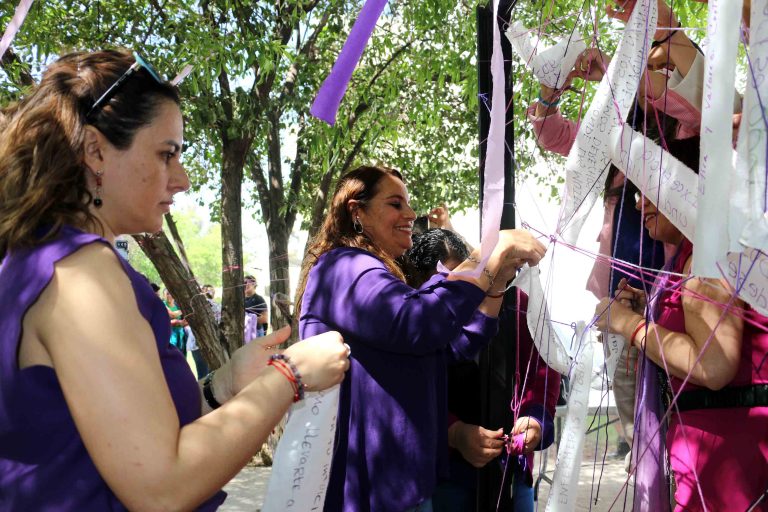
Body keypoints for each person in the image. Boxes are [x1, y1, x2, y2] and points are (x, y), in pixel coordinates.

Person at [0, 49, 350, 511]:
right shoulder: (83, 275)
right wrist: (291, 377)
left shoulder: (35, 258)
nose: (181, 179)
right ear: (95, 151)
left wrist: (221, 386)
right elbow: (159, 487)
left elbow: (117, 439)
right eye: (167, 154)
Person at [296, 165, 547, 511]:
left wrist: (497, 282)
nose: (410, 214)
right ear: (357, 211)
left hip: (401, 484)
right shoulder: (342, 268)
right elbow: (418, 323)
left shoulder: (378, 277)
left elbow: (448, 347)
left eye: (408, 204)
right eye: (395, 204)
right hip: (367, 488)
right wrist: (487, 257)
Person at [594, 137, 768, 510]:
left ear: (688, 188)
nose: (641, 203)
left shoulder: (709, 254)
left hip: (728, 456)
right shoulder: (694, 254)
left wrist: (629, 325)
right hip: (713, 445)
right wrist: (650, 306)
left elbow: (713, 364)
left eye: (652, 189)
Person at [405, 228, 560, 512]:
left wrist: (534, 419)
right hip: (443, 476)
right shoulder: (415, 323)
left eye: (463, 280)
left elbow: (542, 372)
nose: (455, 297)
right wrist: (453, 432)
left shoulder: (516, 305)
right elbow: (411, 391)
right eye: (442, 287)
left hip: (509, 473)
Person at [164, 288, 187, 354]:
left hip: (181, 333)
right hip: (170, 334)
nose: (169, 296)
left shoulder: (177, 305)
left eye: (170, 294)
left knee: (182, 353)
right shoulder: (163, 304)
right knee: (173, 352)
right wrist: (183, 310)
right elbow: (172, 315)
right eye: (167, 294)